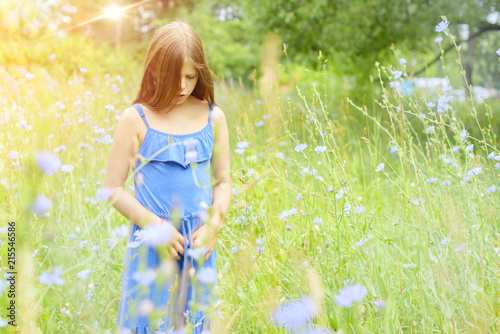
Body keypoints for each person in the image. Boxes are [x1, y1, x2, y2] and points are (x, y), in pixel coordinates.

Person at [103, 21, 232, 333]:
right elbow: (111, 188)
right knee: (145, 322)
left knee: (193, 323)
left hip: (198, 242)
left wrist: (213, 225)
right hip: (153, 241)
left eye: (190, 76)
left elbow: (224, 182)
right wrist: (155, 226)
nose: (182, 86)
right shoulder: (136, 118)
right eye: (175, 77)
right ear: (155, 70)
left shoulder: (212, 116)